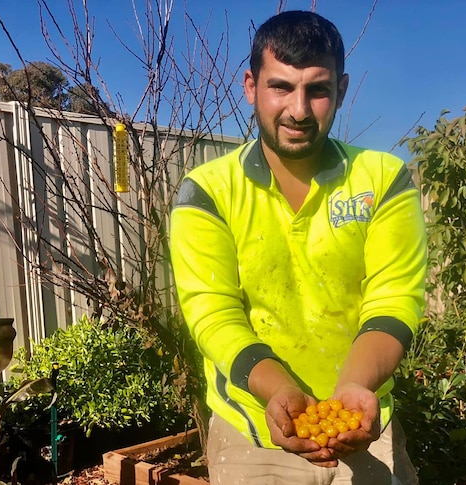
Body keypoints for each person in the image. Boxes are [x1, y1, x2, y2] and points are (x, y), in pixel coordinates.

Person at [169, 10, 426, 485]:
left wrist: (354, 386)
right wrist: (277, 389)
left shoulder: (385, 179)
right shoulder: (206, 191)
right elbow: (212, 313)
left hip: (365, 420)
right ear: (251, 86)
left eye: (318, 89)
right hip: (251, 431)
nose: (299, 109)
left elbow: (395, 299)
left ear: (342, 91)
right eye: (281, 86)